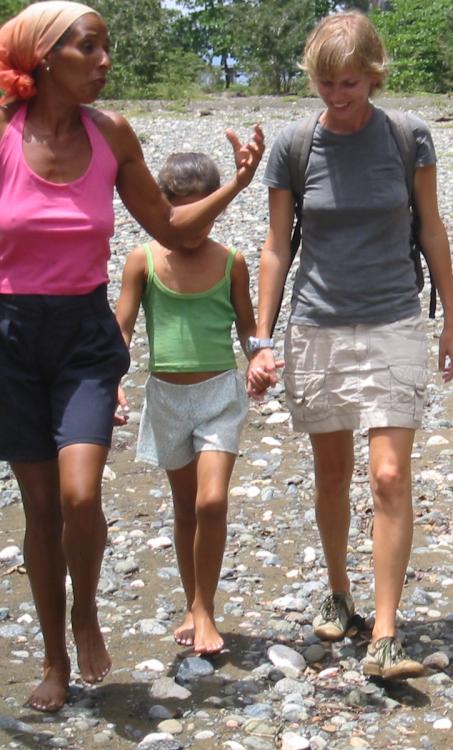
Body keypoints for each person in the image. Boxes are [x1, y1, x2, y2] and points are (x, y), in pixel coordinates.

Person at [0, 1, 263, 712]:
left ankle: (87, 606)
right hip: (11, 336)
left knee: (82, 496)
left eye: (108, 47)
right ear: (47, 56)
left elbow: (172, 231)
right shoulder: (2, 133)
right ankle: (56, 657)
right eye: (91, 48)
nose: (106, 61)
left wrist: (237, 184)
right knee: (40, 506)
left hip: (85, 336)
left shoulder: (113, 135)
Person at [248, 11, 453, 681]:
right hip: (316, 325)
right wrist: (258, 337)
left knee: (391, 475)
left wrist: (452, 317)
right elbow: (277, 246)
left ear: (373, 75)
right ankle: (339, 592)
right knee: (333, 473)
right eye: (324, 82)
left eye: (349, 83)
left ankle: (389, 634)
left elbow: (431, 227)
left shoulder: (408, 137)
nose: (337, 95)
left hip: (394, 318)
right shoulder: (294, 146)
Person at [114, 152, 257, 656]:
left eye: (207, 216)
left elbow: (246, 325)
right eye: (182, 217)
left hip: (219, 393)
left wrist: (258, 357)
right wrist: (112, 378)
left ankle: (207, 609)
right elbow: (123, 328)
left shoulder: (231, 261)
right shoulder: (143, 260)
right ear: (163, 210)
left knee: (211, 501)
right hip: (166, 397)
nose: (195, 229)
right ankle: (194, 605)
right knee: (184, 509)